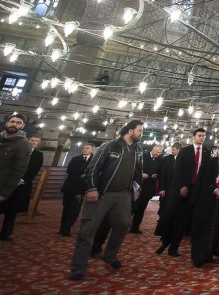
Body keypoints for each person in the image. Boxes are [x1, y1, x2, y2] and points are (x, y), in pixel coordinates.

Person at [68, 120, 144, 281]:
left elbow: (138, 172)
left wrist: (137, 189)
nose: (141, 134)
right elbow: (93, 168)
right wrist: (92, 188)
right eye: (140, 131)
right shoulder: (110, 146)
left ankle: (109, 255)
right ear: (130, 131)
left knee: (123, 225)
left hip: (123, 194)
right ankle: (78, 268)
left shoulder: (138, 149)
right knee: (87, 230)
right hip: (102, 193)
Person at [157, 128, 211, 258]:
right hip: (178, 190)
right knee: (170, 216)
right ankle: (165, 242)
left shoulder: (207, 152)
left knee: (183, 220)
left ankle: (173, 248)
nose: (202, 138)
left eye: (203, 136)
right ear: (194, 136)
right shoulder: (185, 151)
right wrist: (182, 186)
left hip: (194, 190)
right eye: (199, 135)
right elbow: (177, 170)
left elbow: (205, 172)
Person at [1, 134, 42, 240]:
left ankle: (6, 233)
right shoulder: (18, 150)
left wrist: (22, 180)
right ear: (28, 140)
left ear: (38, 143)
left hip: (21, 185)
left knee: (12, 210)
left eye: (36, 141)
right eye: (32, 140)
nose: (33, 142)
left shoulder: (38, 155)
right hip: (7, 182)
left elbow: (34, 171)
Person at [0, 114, 32, 233]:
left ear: (22, 126)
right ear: (7, 123)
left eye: (18, 123)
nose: (14, 124)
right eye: (12, 121)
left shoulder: (23, 144)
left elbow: (18, 171)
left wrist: (4, 192)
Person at [60, 143, 93, 237]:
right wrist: (83, 172)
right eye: (84, 148)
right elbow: (70, 170)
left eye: (87, 148)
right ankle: (62, 228)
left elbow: (91, 172)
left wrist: (82, 173)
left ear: (91, 149)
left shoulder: (94, 160)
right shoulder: (75, 159)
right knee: (66, 208)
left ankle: (67, 228)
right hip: (70, 186)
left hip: (82, 188)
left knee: (75, 209)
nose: (85, 149)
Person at [130, 143, 163, 233]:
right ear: (153, 148)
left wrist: (157, 174)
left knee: (141, 208)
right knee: (132, 207)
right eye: (157, 152)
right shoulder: (142, 156)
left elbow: (161, 172)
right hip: (137, 185)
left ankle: (135, 228)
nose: (158, 154)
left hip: (149, 187)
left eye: (160, 153)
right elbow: (134, 168)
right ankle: (124, 226)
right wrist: (140, 175)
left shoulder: (160, 160)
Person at [154, 142, 180, 236]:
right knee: (163, 208)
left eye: (173, 149)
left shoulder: (182, 159)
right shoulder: (167, 159)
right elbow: (162, 175)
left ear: (178, 150)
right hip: (166, 188)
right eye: (171, 149)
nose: (172, 151)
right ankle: (162, 229)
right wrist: (162, 188)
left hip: (177, 189)